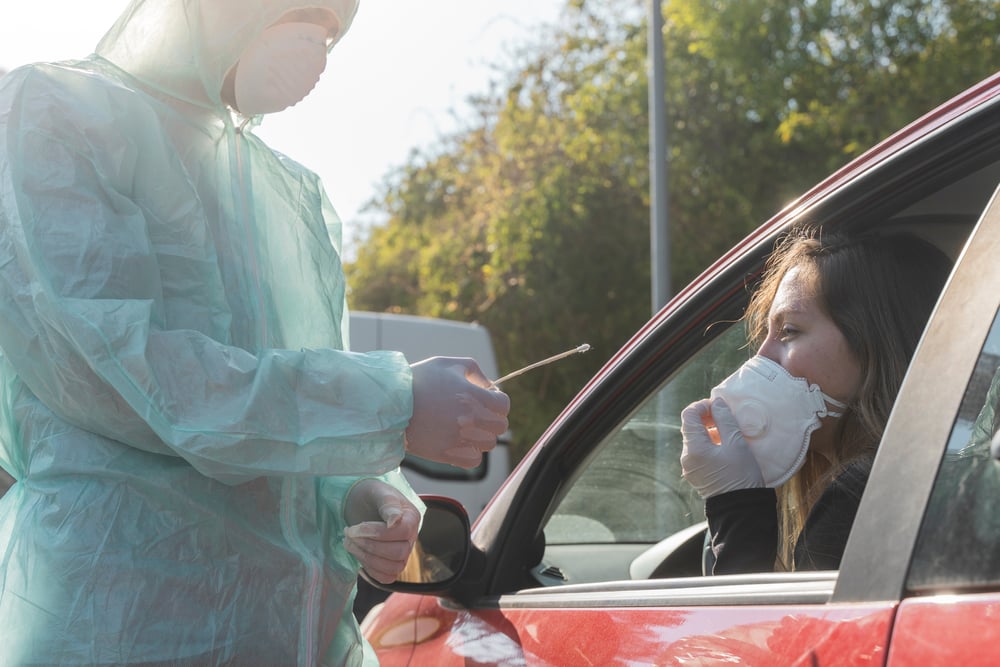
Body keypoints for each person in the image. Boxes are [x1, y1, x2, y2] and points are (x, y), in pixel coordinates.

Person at [0, 1, 510, 665]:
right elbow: (111, 371)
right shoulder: (57, 111)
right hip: (120, 631)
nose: (316, 47)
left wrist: (359, 494)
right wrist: (394, 401)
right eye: (300, 12)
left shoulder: (293, 198)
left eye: (332, 25)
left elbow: (294, 421)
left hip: (300, 641)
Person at [680, 225, 951, 573]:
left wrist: (736, 505)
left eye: (789, 331)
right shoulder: (939, 473)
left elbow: (765, 628)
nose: (762, 356)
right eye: (765, 334)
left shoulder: (861, 499)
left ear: (873, 344)